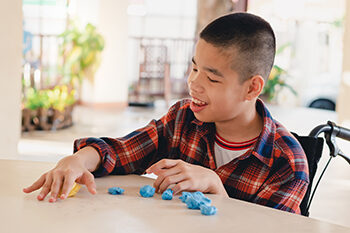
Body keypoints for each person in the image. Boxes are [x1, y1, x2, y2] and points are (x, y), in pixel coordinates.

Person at [23, 12, 309, 214]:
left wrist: (215, 188)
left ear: (251, 88)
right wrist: (78, 159)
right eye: (194, 67)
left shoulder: (288, 163)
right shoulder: (183, 119)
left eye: (212, 78)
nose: (193, 83)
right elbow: (122, 150)